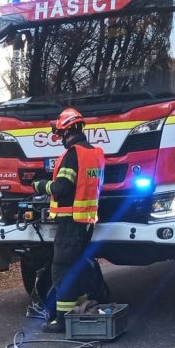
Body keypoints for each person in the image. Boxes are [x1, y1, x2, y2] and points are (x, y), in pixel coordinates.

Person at [34, 108, 105, 333]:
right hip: (86, 221)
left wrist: (41, 186)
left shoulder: (73, 154)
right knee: (78, 265)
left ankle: (63, 319)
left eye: (61, 134)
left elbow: (63, 187)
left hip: (70, 221)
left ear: (67, 131)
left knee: (62, 267)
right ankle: (81, 309)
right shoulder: (94, 153)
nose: (61, 140)